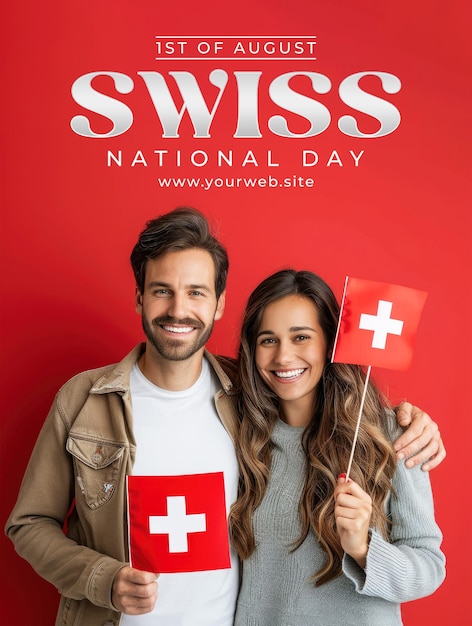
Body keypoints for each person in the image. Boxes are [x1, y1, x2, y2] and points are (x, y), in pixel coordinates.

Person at [5, 208, 445, 626]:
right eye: (162, 290)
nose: (179, 309)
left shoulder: (256, 403)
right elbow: (29, 524)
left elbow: (426, 561)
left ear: (218, 305)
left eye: (196, 292)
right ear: (139, 298)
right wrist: (104, 579)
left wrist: (369, 539)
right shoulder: (92, 401)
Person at [229, 269, 446, 626]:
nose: (284, 356)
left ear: (330, 342)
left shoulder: (388, 435)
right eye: (268, 340)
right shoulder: (240, 437)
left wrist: (363, 548)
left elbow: (430, 567)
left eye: (301, 337)